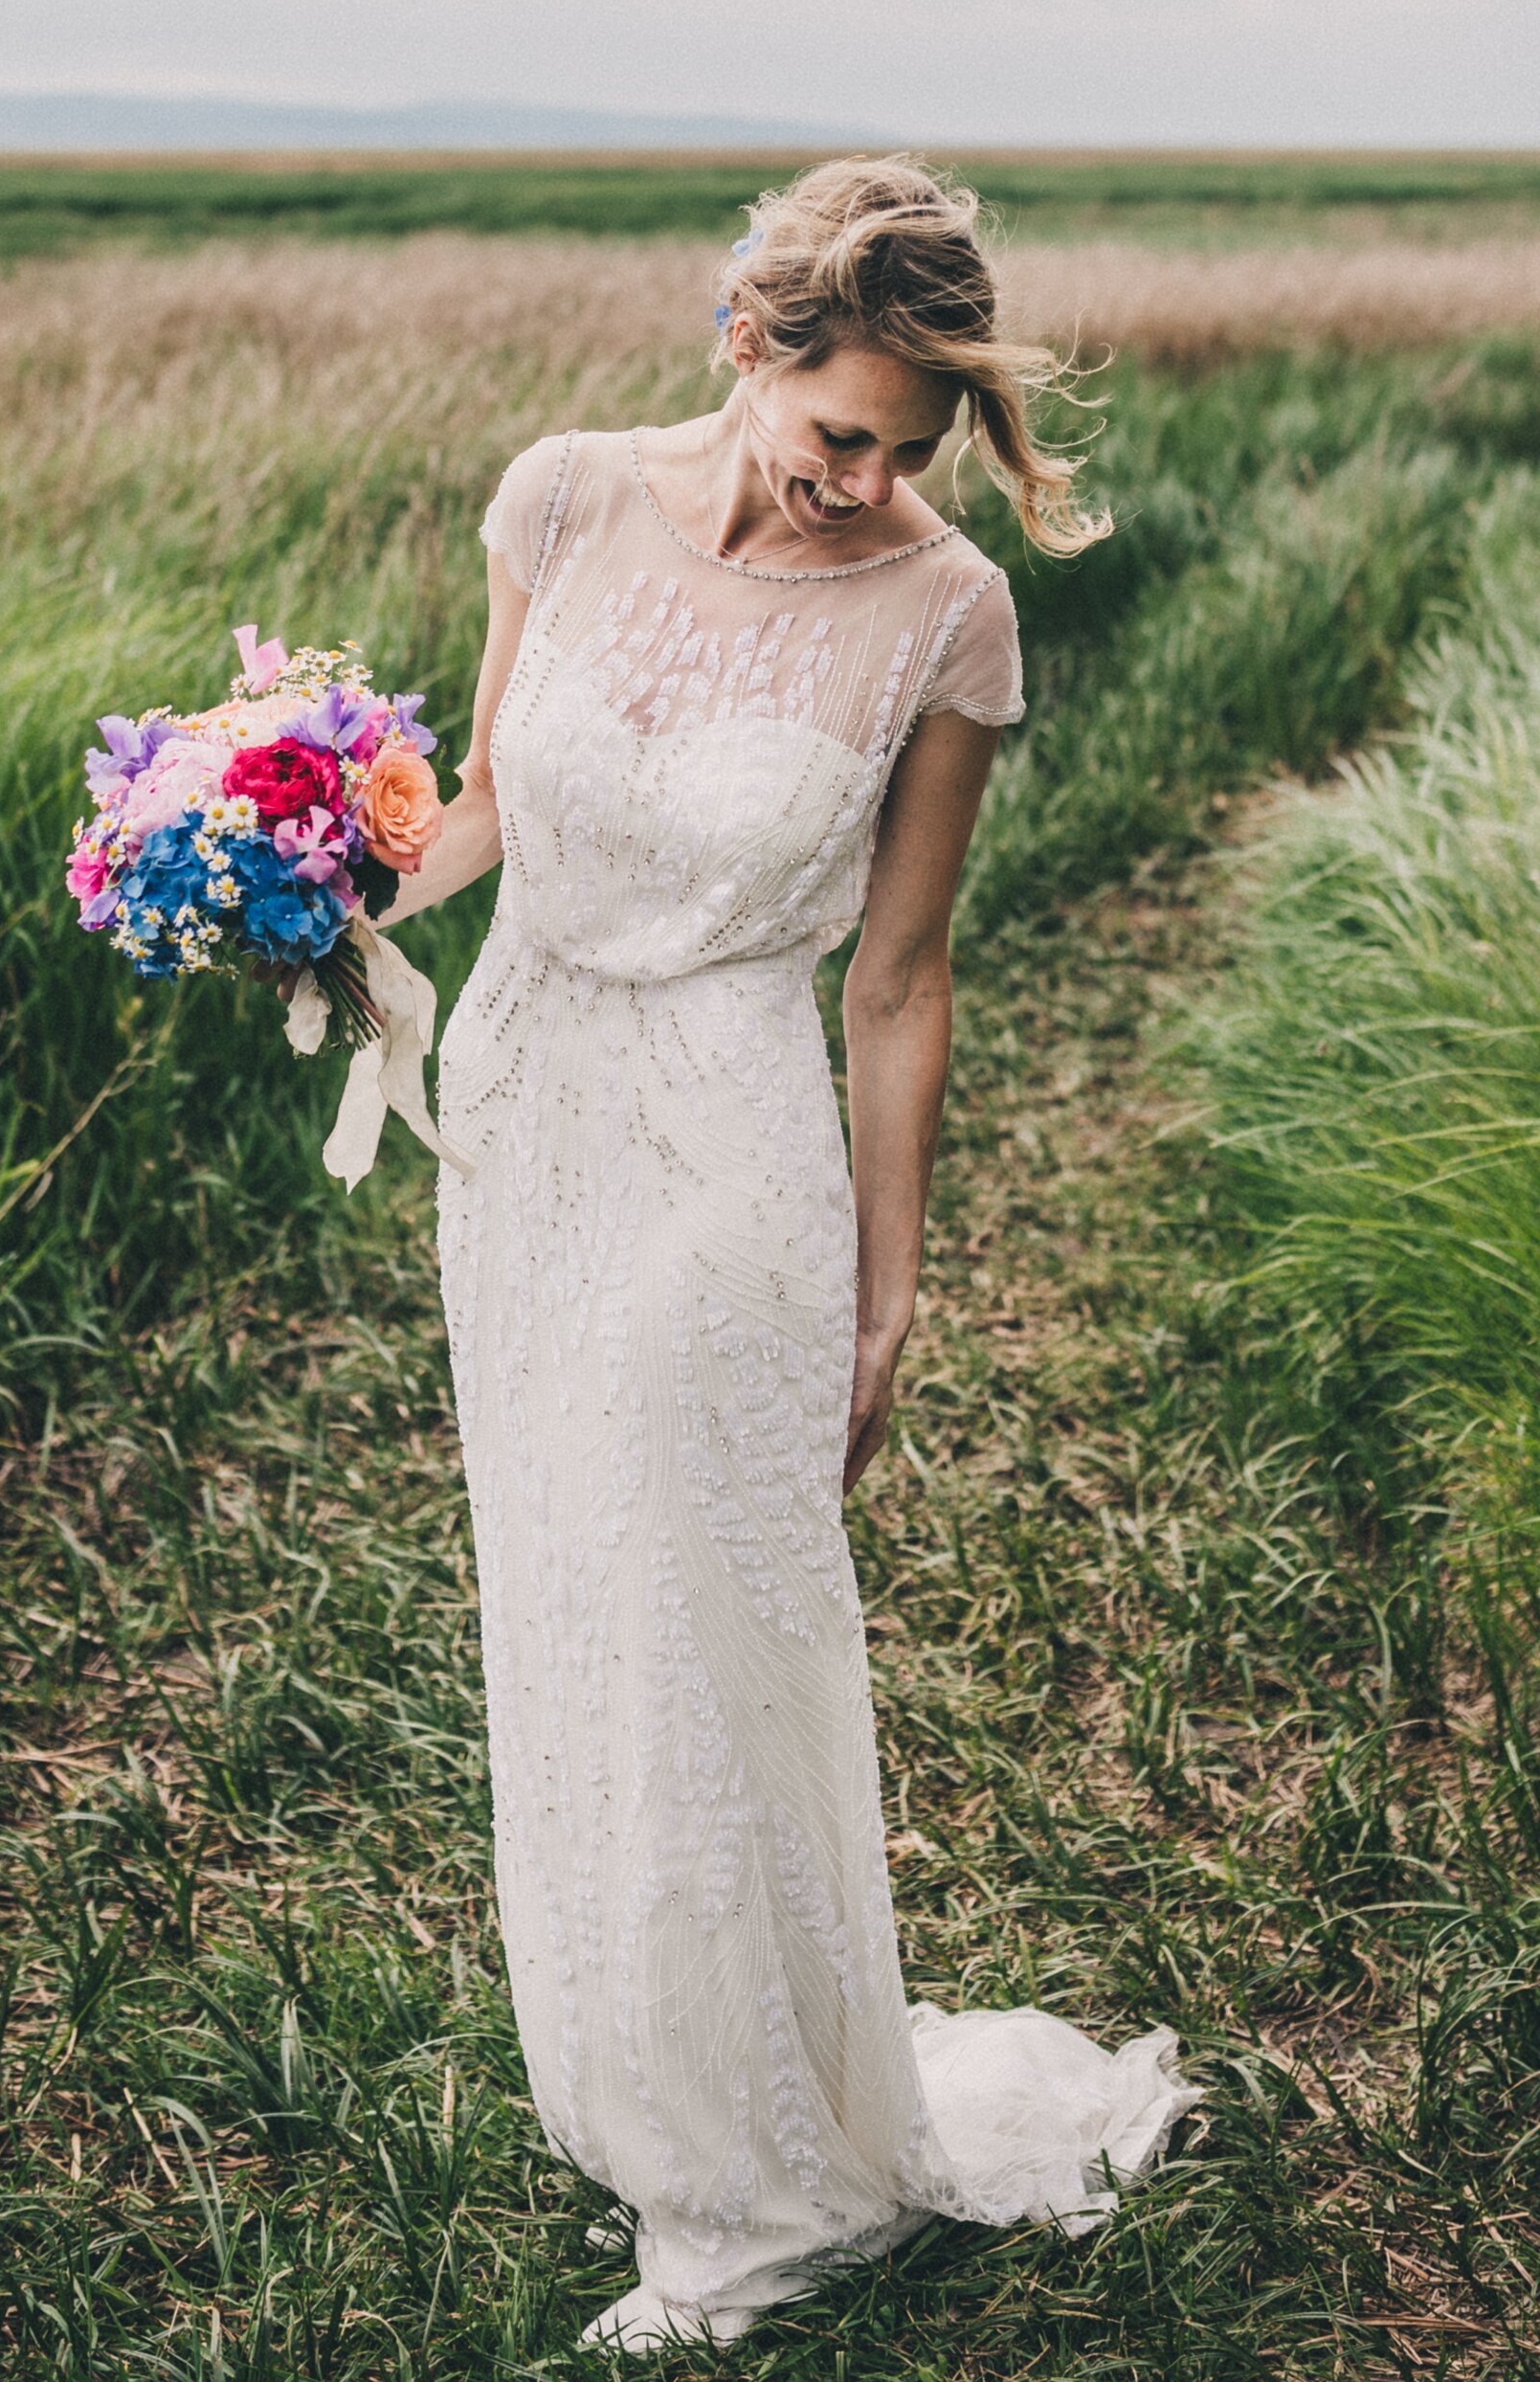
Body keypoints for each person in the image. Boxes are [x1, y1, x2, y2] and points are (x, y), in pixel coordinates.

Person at [382, 157, 1197, 2353]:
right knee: (574, 1600)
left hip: (733, 1143)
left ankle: (751, 2211)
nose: (867, 482)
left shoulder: (949, 615)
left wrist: (886, 1281)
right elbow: (483, 807)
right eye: (841, 431)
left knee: (695, 1612)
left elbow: (901, 979)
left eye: (908, 451)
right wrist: (306, 873)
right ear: (748, 346)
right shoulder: (555, 503)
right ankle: (673, 2102)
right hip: (528, 1113)